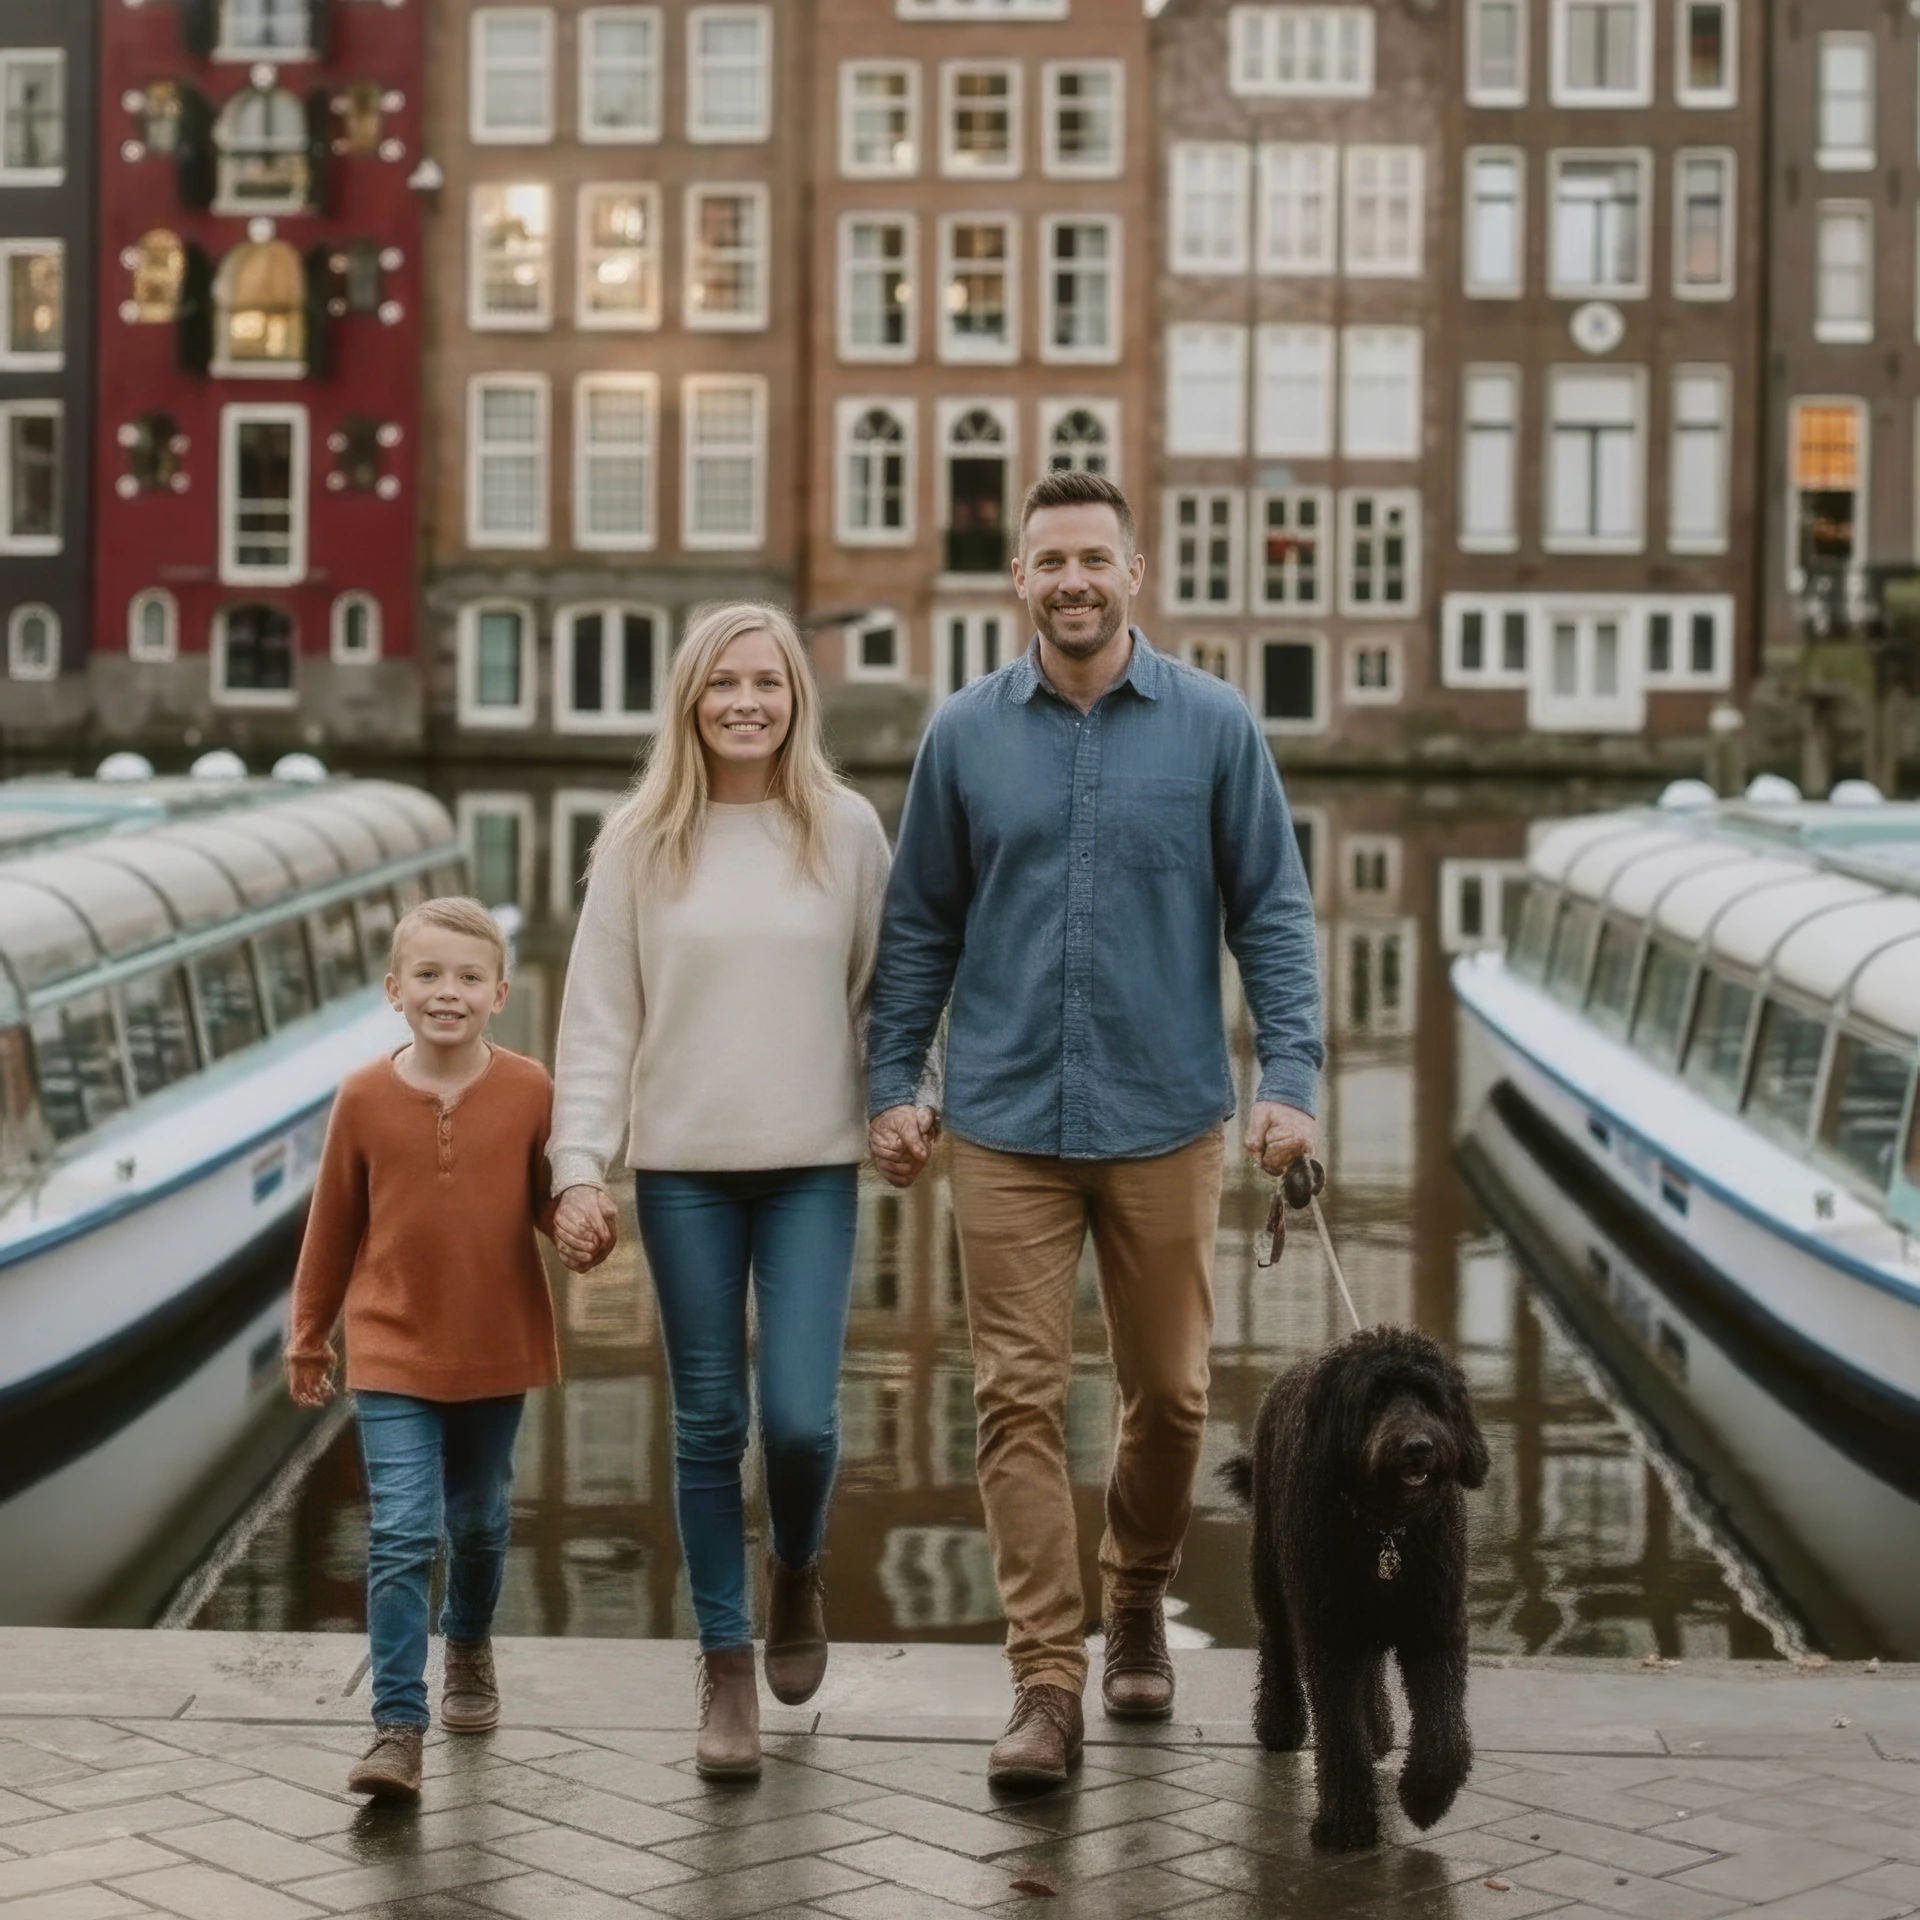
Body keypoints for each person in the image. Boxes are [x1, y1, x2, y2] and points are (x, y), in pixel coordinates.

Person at [868, 468, 1323, 1789]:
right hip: (1003, 1121)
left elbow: (1277, 918)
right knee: (1013, 1400)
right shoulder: (963, 735)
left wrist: (1287, 1079)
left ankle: (1137, 1596)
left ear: (1135, 575)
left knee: (1171, 1399)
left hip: (1167, 1116)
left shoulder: (1217, 728)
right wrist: (896, 1081)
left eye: (1093, 560)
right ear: (1018, 581)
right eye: (1048, 561)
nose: (1071, 580)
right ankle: (1045, 1685)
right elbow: (917, 931)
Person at [547, 601, 891, 1782]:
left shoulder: (844, 831)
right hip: (684, 1170)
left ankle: (796, 1566)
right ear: (689, 700)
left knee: (799, 1419)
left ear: (798, 697)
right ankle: (726, 1665)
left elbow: (883, 995)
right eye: (722, 683)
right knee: (707, 1423)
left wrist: (909, 1096)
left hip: (812, 1165)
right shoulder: (639, 843)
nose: (747, 701)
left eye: (769, 682)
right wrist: (577, 1166)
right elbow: (598, 1020)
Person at [287, 896, 591, 1802]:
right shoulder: (363, 1099)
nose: (446, 993)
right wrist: (309, 1335)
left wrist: (582, 1225)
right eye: (427, 975)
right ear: (393, 989)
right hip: (391, 1348)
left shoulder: (534, 1090)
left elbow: (550, 1202)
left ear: (500, 992)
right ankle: (396, 1726)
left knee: (483, 1521)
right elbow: (331, 1227)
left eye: (467, 978)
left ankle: (467, 1641)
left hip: (497, 1344)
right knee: (402, 1530)